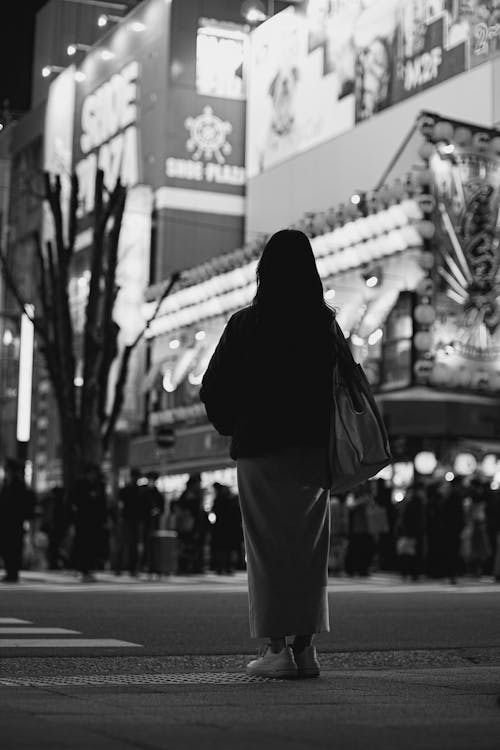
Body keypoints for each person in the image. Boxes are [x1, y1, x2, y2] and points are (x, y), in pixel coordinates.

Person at [200, 229, 335, 679]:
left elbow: (213, 387)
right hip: (313, 451)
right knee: (308, 551)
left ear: (265, 271)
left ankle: (276, 648)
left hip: (260, 450)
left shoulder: (246, 324)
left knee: (267, 551)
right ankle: (306, 648)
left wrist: (234, 425)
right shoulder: (324, 324)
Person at [0, 458, 36, 583]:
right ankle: (10, 571)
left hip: (15, 522)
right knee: (6, 547)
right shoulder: (6, 484)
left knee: (14, 547)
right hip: (6, 522)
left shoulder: (18, 485)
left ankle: (13, 572)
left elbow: (23, 504)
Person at [72, 463, 108, 582]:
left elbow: (103, 504)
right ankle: (82, 568)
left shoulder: (99, 486)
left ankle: (90, 568)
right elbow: (74, 502)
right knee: (83, 544)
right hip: (83, 520)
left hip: (95, 521)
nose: (92, 476)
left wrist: (104, 520)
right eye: (90, 473)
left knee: (93, 545)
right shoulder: (81, 485)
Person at [116, 468, 146, 576]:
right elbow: (120, 505)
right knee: (125, 544)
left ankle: (129, 568)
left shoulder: (138, 490)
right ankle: (120, 567)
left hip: (133, 520)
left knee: (131, 545)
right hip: (128, 519)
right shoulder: (129, 490)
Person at [210, 482, 243, 575]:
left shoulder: (219, 500)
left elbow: (215, 512)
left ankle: (221, 566)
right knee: (228, 548)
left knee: (221, 548)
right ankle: (228, 566)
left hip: (221, 527)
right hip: (230, 528)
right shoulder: (232, 500)